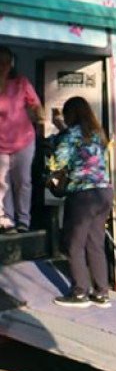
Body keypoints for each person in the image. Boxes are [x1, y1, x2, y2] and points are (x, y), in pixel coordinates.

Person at [51, 97, 113, 309]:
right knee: (95, 244)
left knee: (73, 245)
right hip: (104, 193)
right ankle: (101, 293)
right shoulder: (98, 134)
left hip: (83, 196)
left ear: (71, 115)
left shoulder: (73, 133)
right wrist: (62, 131)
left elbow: (58, 160)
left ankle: (79, 293)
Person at [0, 45, 43, 234]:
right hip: (1, 143)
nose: (3, 66)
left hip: (23, 140)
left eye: (7, 62)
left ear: (11, 64)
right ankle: (6, 219)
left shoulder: (21, 82)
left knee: (23, 180)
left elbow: (36, 105)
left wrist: (40, 119)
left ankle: (23, 219)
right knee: (2, 182)